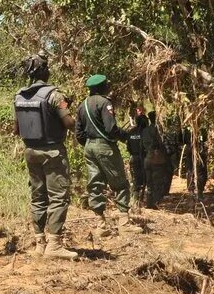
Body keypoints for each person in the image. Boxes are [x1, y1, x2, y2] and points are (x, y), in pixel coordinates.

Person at [13, 53, 79, 259]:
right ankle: (55, 244)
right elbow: (68, 123)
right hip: (52, 151)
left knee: (38, 196)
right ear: (44, 71)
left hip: (30, 151)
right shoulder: (55, 95)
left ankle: (39, 242)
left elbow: (17, 129)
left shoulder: (19, 96)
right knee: (58, 196)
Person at [75, 75, 132, 228]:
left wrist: (89, 144)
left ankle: (100, 223)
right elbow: (111, 129)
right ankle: (124, 221)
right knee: (120, 181)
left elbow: (78, 133)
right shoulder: (105, 102)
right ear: (102, 87)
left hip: (89, 147)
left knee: (95, 183)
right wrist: (125, 136)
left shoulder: (82, 105)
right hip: (105, 147)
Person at [142, 111, 171, 208]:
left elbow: (142, 145)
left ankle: (149, 203)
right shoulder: (159, 130)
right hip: (157, 159)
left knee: (149, 182)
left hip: (147, 158)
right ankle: (155, 202)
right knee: (157, 182)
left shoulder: (145, 130)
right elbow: (164, 145)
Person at [126, 114, 148, 206]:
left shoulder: (131, 132)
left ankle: (134, 200)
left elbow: (128, 147)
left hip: (133, 157)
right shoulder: (145, 132)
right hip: (142, 158)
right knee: (144, 179)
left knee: (135, 179)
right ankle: (138, 200)